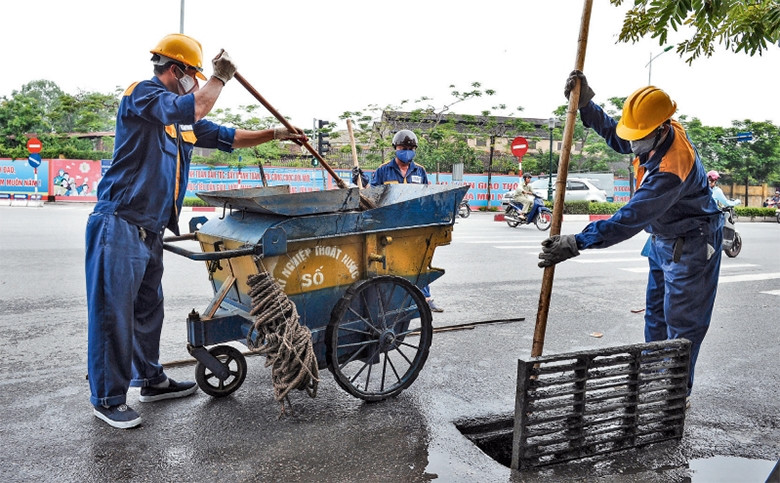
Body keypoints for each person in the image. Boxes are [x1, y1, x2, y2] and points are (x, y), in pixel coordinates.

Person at [85, 33, 306, 429]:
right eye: (195, 75)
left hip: (149, 230)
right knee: (112, 314)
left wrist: (277, 134)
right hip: (117, 223)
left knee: (147, 311)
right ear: (176, 71)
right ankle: (107, 398)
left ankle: (151, 380)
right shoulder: (144, 95)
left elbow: (229, 137)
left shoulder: (184, 122)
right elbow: (196, 103)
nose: (198, 82)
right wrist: (220, 78)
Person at [539, 71, 723, 406]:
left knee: (682, 327)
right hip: (662, 238)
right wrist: (587, 106)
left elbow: (628, 220)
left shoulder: (671, 169)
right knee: (656, 316)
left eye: (640, 137)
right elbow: (618, 136)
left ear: (662, 128)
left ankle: (672, 397)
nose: (632, 146)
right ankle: (654, 382)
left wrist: (576, 243)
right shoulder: (657, 132)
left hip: (693, 242)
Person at [351, 129, 443, 313]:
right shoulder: (384, 170)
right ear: (396, 148)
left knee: (418, 261)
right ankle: (389, 303)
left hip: (414, 223)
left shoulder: (420, 171)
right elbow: (372, 196)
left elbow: (426, 195)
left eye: (410, 147)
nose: (406, 150)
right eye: (403, 147)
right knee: (391, 263)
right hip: (390, 224)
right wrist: (361, 181)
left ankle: (426, 298)